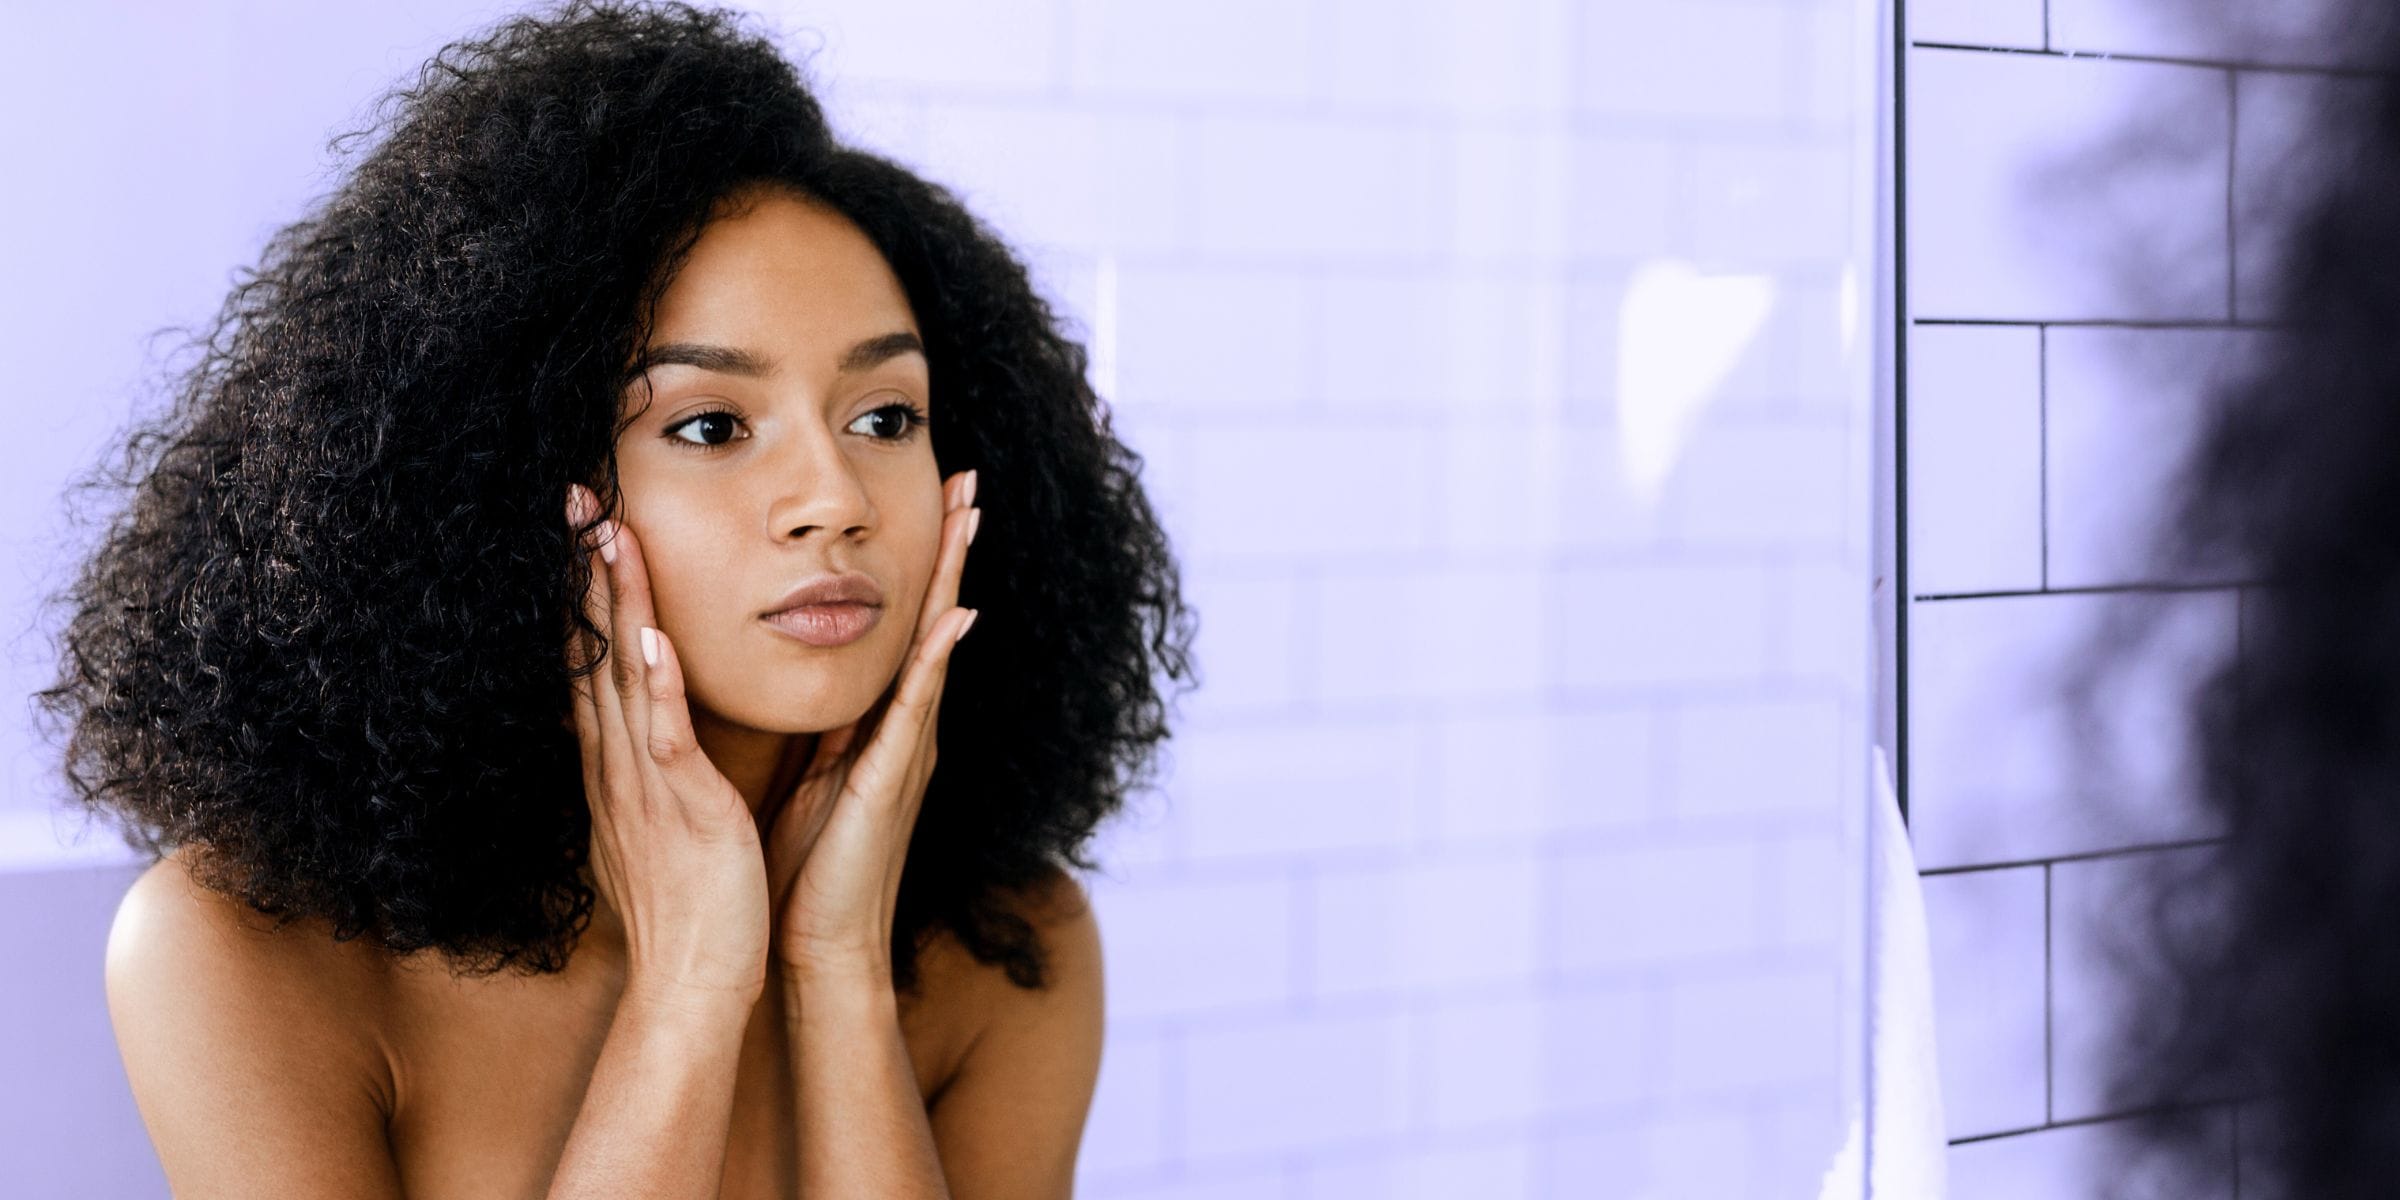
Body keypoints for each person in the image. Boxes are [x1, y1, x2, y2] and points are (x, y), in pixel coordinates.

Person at [31, 2, 1196, 1196]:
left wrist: (838, 974)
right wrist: (691, 985)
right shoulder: (245, 957)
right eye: (709, 425)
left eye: (885, 417)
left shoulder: (1008, 952)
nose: (835, 498)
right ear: (513, 482)